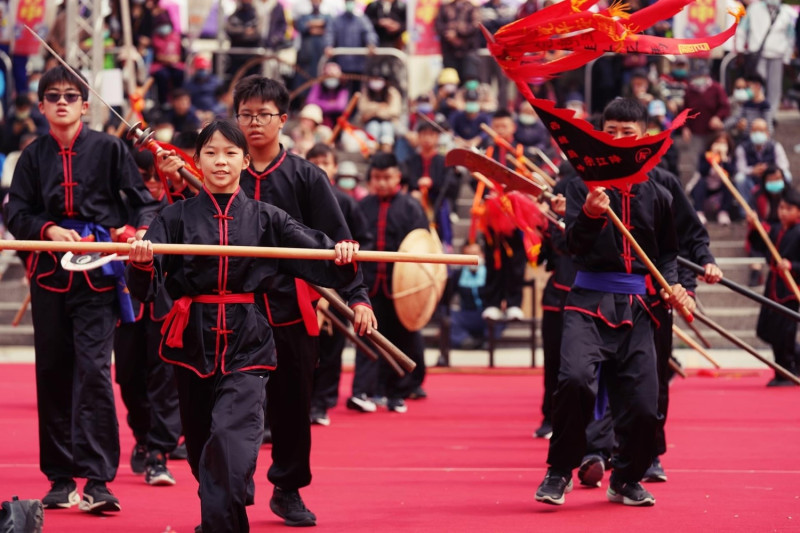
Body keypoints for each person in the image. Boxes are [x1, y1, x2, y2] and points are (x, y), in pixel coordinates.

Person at [126, 119, 360, 532]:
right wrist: (142, 263)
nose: (220, 161)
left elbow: (319, 255)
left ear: (245, 161)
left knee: (231, 448)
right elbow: (145, 287)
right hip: (192, 345)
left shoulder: (269, 220)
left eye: (230, 153)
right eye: (211, 153)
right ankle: (219, 517)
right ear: (196, 161)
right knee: (204, 453)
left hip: (248, 345)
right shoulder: (174, 218)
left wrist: (340, 255)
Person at [5, 65, 161, 513]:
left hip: (99, 276)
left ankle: (97, 479)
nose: (61, 102)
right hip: (51, 276)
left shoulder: (111, 150)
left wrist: (140, 233)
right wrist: (48, 228)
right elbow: (17, 214)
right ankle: (59, 477)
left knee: (94, 371)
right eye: (52, 96)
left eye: (70, 96)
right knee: (53, 372)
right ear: (40, 106)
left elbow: (145, 202)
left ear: (84, 104)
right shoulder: (32, 156)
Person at [226, 76, 376, 526]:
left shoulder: (306, 176)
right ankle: (231, 487)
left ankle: (287, 489)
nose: (254, 123)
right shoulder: (220, 170)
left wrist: (359, 297)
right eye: (246, 114)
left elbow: (340, 245)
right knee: (233, 405)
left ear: (282, 119)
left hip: (290, 307)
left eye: (263, 114)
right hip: (230, 308)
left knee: (293, 405)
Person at [534, 97, 692, 508]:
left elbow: (667, 255)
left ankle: (625, 477)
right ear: (599, 136)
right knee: (573, 382)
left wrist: (674, 287)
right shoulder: (578, 186)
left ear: (643, 140)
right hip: (587, 299)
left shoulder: (658, 194)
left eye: (628, 134)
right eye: (611, 132)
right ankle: (558, 471)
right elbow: (570, 246)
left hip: (638, 308)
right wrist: (587, 214)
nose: (618, 140)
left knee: (644, 405)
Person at [114, 149, 182, 487]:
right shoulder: (118, 200)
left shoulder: (180, 200)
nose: (153, 184)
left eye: (158, 177)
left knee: (164, 379)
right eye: (146, 177)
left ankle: (159, 452)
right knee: (127, 377)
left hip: (166, 302)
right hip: (125, 302)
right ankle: (142, 434)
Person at [350, 152, 430, 413]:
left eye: (387, 177)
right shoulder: (363, 206)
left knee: (402, 339)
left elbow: (422, 245)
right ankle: (365, 391)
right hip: (370, 286)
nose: (381, 183)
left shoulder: (411, 207)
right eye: (376, 178)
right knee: (368, 337)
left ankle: (399, 392)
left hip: (402, 288)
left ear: (397, 177)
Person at [306, 143, 373, 425]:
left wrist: (348, 272)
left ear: (334, 167)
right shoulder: (299, 196)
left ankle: (322, 402)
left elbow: (362, 240)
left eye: (327, 161)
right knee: (306, 349)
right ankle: (304, 401)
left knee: (331, 349)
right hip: (303, 284)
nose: (322, 165)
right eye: (316, 160)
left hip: (334, 285)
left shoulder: (345, 202)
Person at [748, 187, 800, 386]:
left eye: (788, 208)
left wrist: (791, 266)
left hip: (790, 290)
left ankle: (786, 371)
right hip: (773, 287)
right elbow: (760, 246)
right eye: (781, 208)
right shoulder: (777, 229)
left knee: (785, 334)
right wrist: (754, 227)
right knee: (766, 330)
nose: (783, 212)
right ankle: (790, 362)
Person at [734, 0, 797, 112]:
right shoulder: (754, 9)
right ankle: (756, 112)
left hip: (777, 54)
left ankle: (770, 115)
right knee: (757, 85)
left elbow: (790, 37)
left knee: (774, 88)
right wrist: (740, 51)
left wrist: (786, 58)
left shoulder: (787, 11)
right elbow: (742, 30)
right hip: (757, 55)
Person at [435, 0, 481, 82]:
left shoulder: (472, 7)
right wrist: (450, 35)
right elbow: (438, 25)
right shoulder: (445, 7)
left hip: (468, 51)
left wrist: (457, 34)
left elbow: (476, 25)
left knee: (469, 80)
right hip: (449, 50)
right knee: (450, 80)